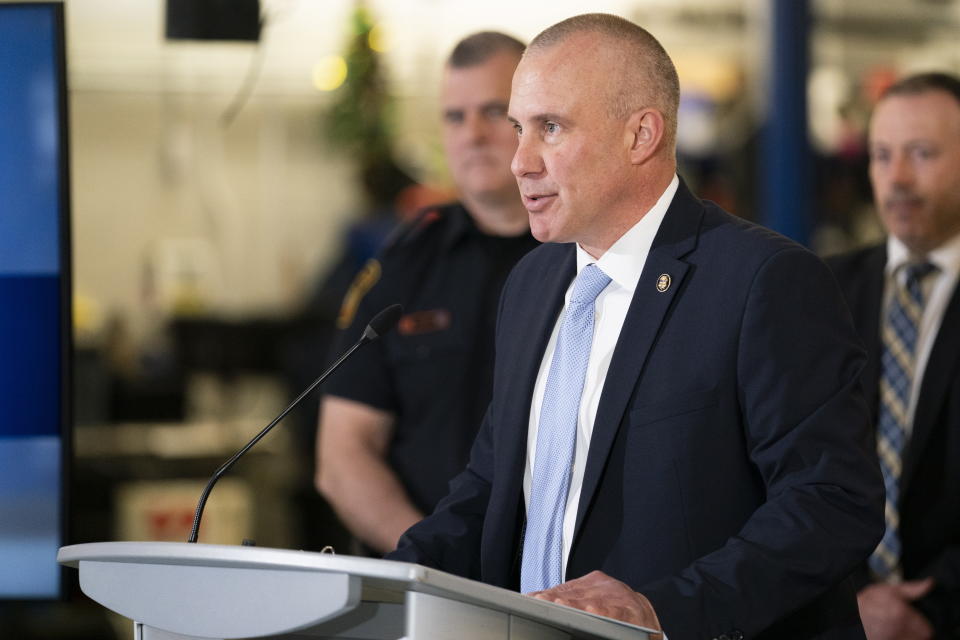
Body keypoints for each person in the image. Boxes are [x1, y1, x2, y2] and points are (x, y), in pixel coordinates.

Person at [386, 14, 885, 640]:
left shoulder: (764, 280)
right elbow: (494, 482)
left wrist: (663, 611)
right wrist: (385, 584)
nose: (519, 161)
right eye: (519, 129)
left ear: (640, 135)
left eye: (550, 128)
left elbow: (832, 502)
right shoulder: (533, 284)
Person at [316, 32, 537, 555]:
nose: (472, 134)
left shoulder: (592, 256)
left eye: (493, 111)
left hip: (566, 588)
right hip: (421, 592)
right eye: (454, 117)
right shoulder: (404, 264)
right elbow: (342, 453)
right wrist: (429, 561)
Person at [826, 72, 960, 640]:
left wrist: (929, 611)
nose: (897, 178)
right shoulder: (821, 290)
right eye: (882, 156)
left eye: (922, 154)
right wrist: (855, 596)